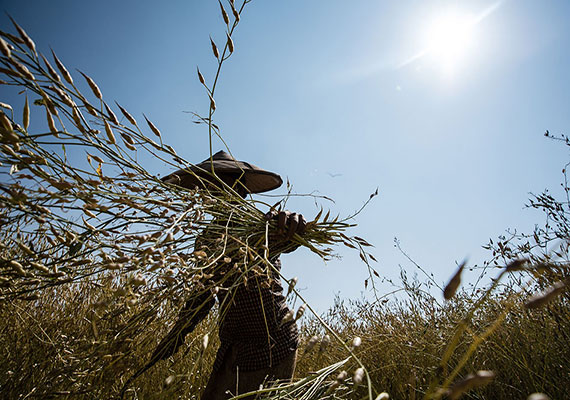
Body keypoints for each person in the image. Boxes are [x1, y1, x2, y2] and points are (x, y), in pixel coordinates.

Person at [151, 150, 306, 399]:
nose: (213, 193)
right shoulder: (206, 239)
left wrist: (292, 224)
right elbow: (202, 295)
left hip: (273, 345)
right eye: (209, 186)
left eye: (224, 185)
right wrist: (176, 335)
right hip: (233, 347)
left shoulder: (261, 225)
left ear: (240, 190)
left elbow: (288, 237)